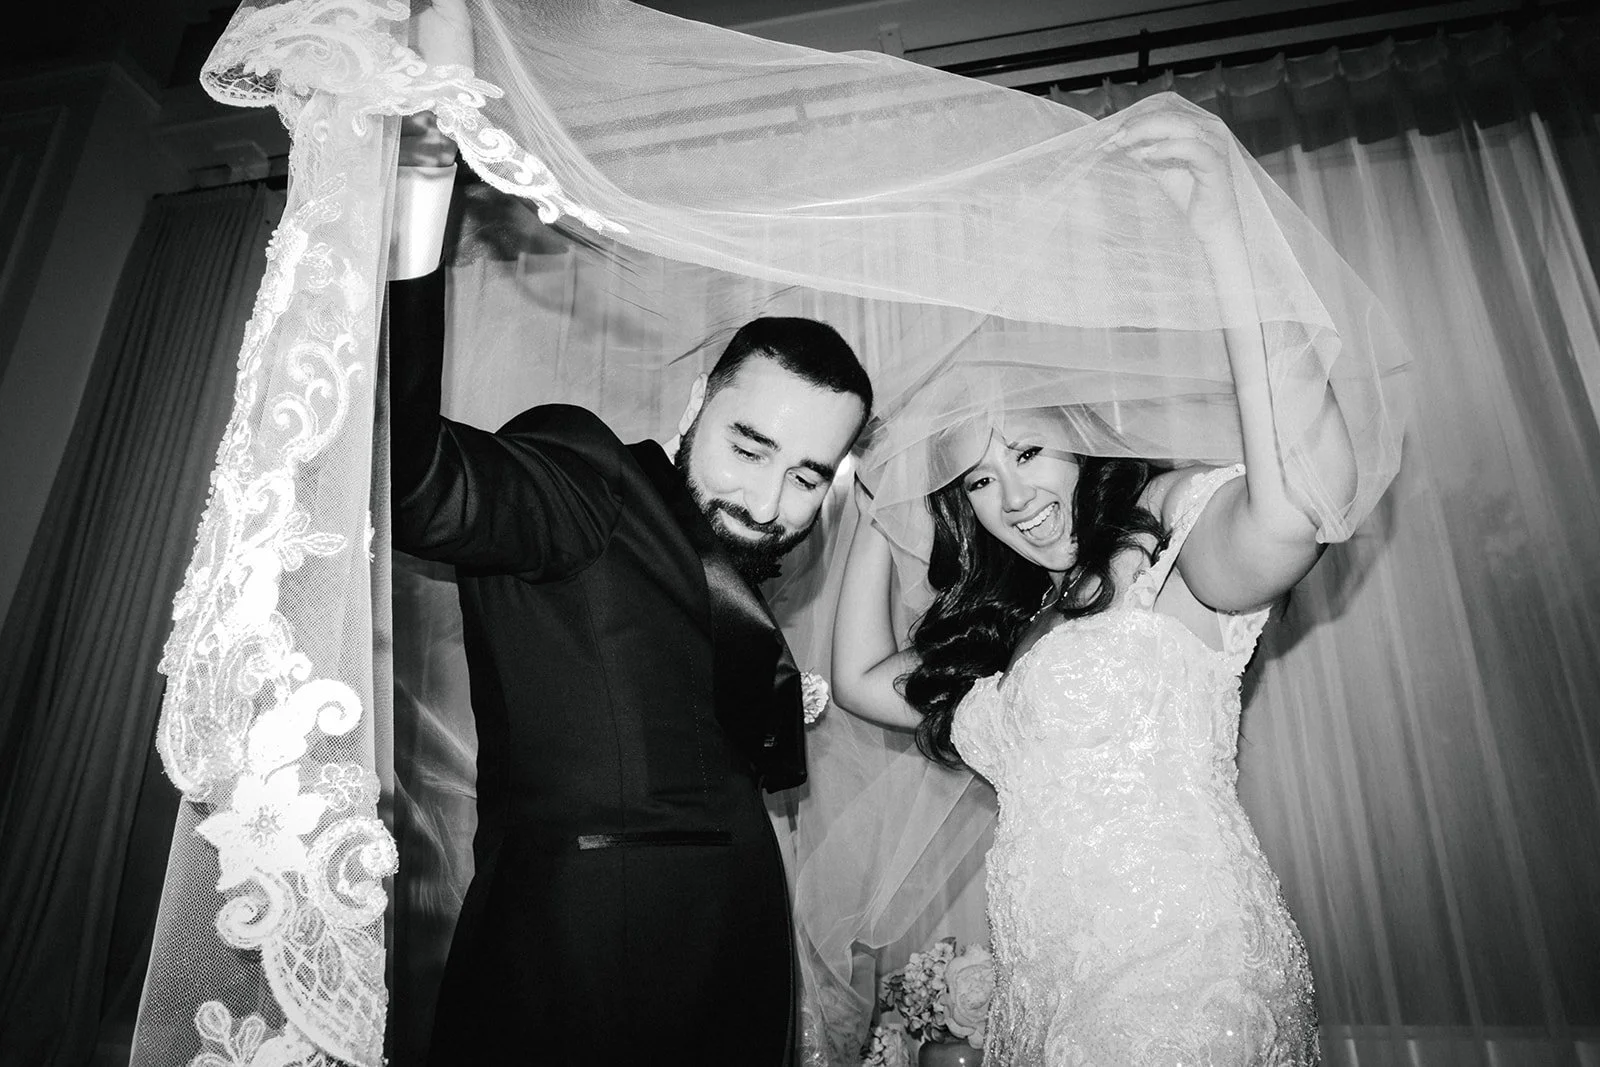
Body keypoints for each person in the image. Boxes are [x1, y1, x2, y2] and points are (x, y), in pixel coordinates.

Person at [386, 7, 872, 1065]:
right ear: (696, 397)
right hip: (583, 981)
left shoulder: (733, 558)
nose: (768, 497)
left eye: (807, 475)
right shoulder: (583, 473)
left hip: (731, 968)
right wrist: (420, 187)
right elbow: (416, 482)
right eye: (750, 443)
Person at [830, 110, 1355, 1065]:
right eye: (979, 482)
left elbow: (1294, 513)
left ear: (1082, 434)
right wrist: (881, 490)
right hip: (1046, 994)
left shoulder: (1162, 541)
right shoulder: (1009, 621)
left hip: (1179, 977)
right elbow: (866, 678)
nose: (1013, 498)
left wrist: (1224, 241)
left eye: (1027, 451)